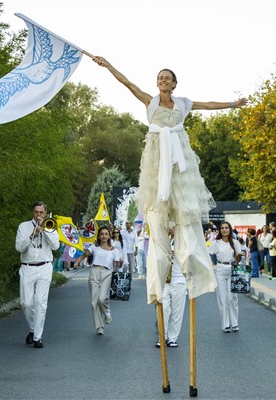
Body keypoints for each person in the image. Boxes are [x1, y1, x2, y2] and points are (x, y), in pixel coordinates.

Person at [93, 56, 246, 304]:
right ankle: (160, 269)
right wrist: (109, 66)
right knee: (157, 208)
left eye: (167, 78)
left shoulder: (183, 104)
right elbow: (127, 83)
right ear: (157, 83)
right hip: (156, 156)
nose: (163, 81)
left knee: (185, 210)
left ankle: (191, 266)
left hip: (178, 155)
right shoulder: (150, 101)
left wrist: (232, 104)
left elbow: (207, 105)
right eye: (160, 78)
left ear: (174, 83)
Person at [15, 201, 60, 348]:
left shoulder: (50, 226)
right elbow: (19, 248)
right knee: (26, 303)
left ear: (45, 213)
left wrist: (45, 231)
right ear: (32, 213)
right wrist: (32, 234)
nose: (38, 215)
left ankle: (37, 338)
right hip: (27, 266)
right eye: (36, 212)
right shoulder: (23, 226)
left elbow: (55, 246)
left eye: (41, 213)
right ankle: (33, 330)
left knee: (41, 303)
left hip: (44, 266)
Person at [75, 226, 122, 335]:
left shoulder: (114, 250)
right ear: (99, 236)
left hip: (106, 273)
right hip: (94, 272)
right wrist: (77, 261)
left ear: (109, 235)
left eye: (106, 234)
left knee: (102, 298)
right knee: (94, 302)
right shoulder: (94, 247)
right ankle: (99, 327)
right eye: (102, 234)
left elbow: (118, 265)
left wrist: (120, 261)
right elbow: (84, 255)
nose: (104, 236)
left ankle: (107, 313)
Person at [209, 222, 243, 333]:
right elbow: (208, 253)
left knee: (232, 297)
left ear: (230, 229)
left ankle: (235, 323)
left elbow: (238, 260)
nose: (224, 230)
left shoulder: (236, 242)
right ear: (220, 230)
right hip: (220, 269)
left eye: (226, 228)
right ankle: (225, 324)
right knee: (223, 298)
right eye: (222, 228)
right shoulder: (216, 243)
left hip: (232, 269)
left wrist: (238, 256)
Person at [157, 229, 187, 347]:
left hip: (179, 279)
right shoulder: (160, 240)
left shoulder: (184, 241)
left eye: (173, 225)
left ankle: (172, 338)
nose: (170, 228)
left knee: (177, 311)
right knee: (163, 309)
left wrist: (178, 255)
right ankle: (161, 337)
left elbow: (190, 257)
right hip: (164, 280)